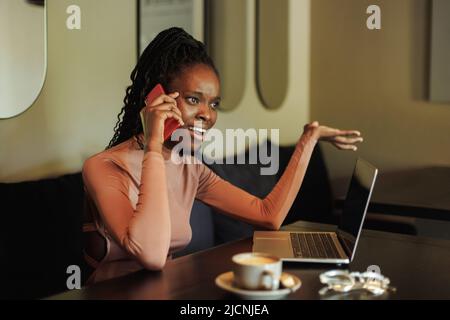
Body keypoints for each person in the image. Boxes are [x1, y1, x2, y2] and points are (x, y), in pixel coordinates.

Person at [81, 27, 363, 285]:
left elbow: (268, 215)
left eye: (213, 103)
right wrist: (153, 144)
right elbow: (152, 256)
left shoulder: (190, 168)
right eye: (193, 99)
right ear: (157, 99)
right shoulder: (104, 166)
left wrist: (308, 140)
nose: (208, 114)